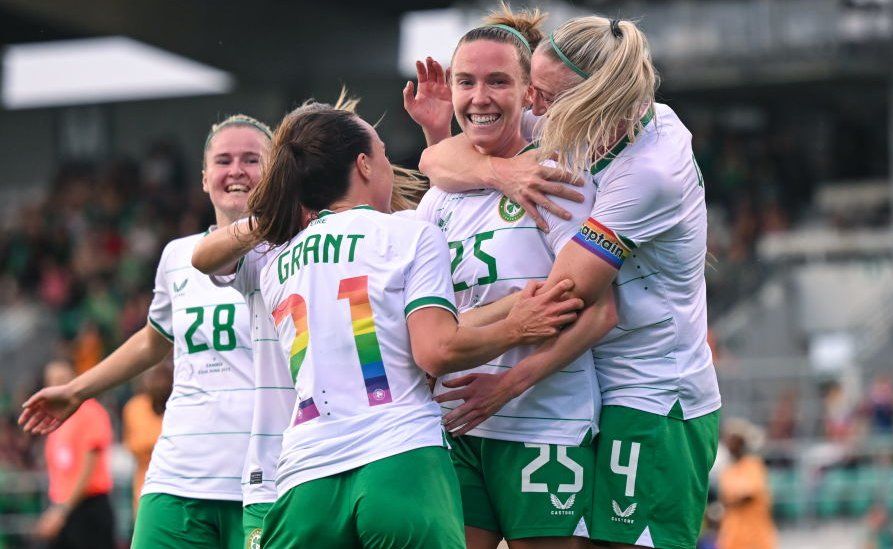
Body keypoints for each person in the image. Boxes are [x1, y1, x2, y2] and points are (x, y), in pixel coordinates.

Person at [207, 101, 582, 548]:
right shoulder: (409, 233)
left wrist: (509, 306)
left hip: (305, 475)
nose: (388, 166)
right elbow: (435, 351)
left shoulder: (277, 261)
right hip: (399, 458)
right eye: (384, 154)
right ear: (364, 165)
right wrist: (517, 327)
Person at [415, 14, 721, 549]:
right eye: (531, 88)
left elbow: (566, 298)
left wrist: (473, 354)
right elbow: (438, 159)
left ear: (597, 98)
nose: (532, 107)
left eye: (546, 96)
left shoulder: (648, 173)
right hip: (596, 383)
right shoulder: (580, 121)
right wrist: (501, 172)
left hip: (652, 391)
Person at [408, 7, 615, 548]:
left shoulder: (555, 180)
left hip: (543, 421)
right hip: (456, 425)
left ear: (529, 94)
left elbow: (600, 309)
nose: (480, 97)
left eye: (498, 81)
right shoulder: (438, 197)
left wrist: (506, 386)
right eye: (466, 82)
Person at [21, 114, 273, 549]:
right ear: (203, 177)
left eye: (252, 160)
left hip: (264, 481)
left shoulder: (298, 251)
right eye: (224, 160)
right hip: (176, 478)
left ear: (275, 174)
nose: (236, 171)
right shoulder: (178, 256)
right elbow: (154, 340)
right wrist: (78, 390)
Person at [36, 360, 114, 549]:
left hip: (88, 509)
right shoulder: (56, 419)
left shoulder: (90, 412)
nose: (57, 386)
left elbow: (88, 468)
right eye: (52, 381)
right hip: (63, 509)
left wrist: (62, 511)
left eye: (62, 379)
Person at [122, 362, 171, 514]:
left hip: (177, 481)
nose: (159, 383)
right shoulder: (135, 407)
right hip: (145, 480)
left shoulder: (179, 406)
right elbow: (133, 445)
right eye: (154, 377)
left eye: (163, 378)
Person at [716, 430, 776, 549]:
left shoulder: (752, 465)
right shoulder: (728, 470)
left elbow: (749, 494)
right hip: (733, 534)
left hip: (754, 534)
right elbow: (723, 496)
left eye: (734, 442)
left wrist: (729, 503)